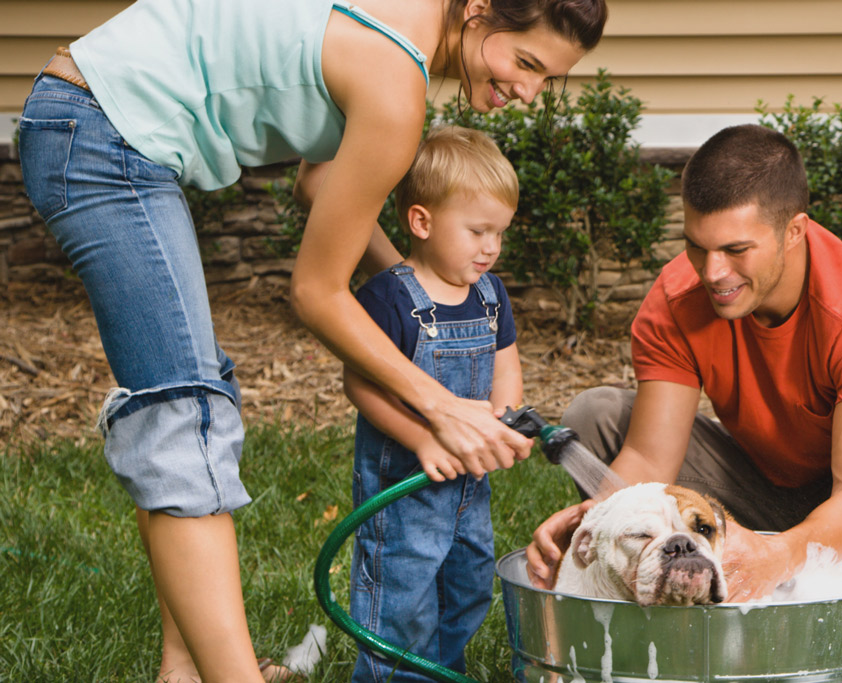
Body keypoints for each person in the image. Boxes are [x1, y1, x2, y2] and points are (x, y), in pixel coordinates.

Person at [17, 1, 606, 681]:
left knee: (186, 398)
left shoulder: (397, 21)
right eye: (525, 62)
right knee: (184, 414)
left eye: (547, 79)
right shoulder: (396, 80)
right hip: (99, 131)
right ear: (477, 10)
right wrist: (441, 407)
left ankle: (182, 670)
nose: (529, 92)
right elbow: (315, 293)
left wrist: (415, 294)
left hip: (88, 113)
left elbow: (318, 180)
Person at [525, 124, 842, 661]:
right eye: (698, 248)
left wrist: (779, 554)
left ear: (794, 231)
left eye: (736, 249)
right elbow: (650, 457)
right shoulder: (678, 298)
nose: (713, 272)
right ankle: (644, 625)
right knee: (599, 412)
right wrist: (594, 517)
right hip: (755, 489)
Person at [343, 125, 522, 682]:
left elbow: (505, 359)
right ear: (422, 222)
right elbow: (360, 383)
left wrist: (507, 416)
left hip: (470, 489)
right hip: (405, 494)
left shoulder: (489, 294)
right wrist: (422, 438)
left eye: (499, 233)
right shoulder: (390, 298)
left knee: (467, 587)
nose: (490, 247)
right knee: (401, 600)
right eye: (477, 231)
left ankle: (441, 674)